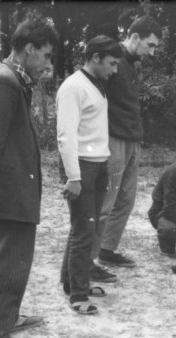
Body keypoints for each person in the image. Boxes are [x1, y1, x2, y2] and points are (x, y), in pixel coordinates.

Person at [0, 17, 57, 338]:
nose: (49, 63)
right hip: (9, 191)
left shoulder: (10, 77)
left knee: (16, 261)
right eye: (47, 56)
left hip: (14, 187)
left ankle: (6, 318)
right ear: (29, 49)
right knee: (8, 262)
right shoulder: (3, 82)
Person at [57, 35, 123, 315]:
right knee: (84, 230)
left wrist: (103, 165)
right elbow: (65, 136)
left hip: (98, 164)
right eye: (111, 63)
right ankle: (78, 295)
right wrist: (74, 176)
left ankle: (70, 281)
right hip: (81, 167)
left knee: (90, 227)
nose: (115, 69)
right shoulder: (73, 87)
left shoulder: (95, 84)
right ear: (95, 58)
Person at [91, 16, 162, 272]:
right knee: (106, 202)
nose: (152, 52)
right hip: (112, 138)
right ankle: (88, 261)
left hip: (133, 139)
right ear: (134, 37)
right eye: (150, 45)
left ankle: (107, 249)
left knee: (127, 199)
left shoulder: (134, 63)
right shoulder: (113, 58)